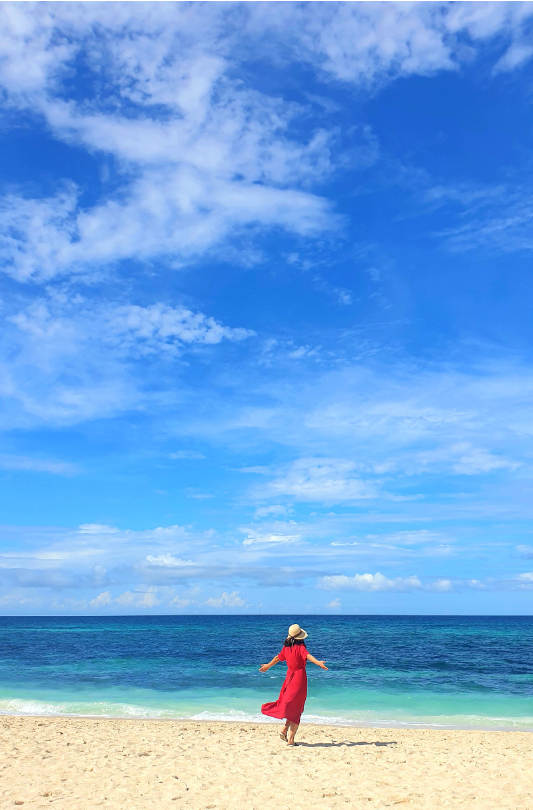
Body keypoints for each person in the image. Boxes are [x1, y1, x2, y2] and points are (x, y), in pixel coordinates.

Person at [259, 623, 328, 746]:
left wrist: (267, 666)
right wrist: (318, 663)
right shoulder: (300, 647)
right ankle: (290, 740)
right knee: (297, 708)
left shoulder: (286, 648)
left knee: (292, 706)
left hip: (289, 678)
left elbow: (277, 658)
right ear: (300, 637)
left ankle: (284, 730)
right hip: (299, 679)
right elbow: (308, 655)